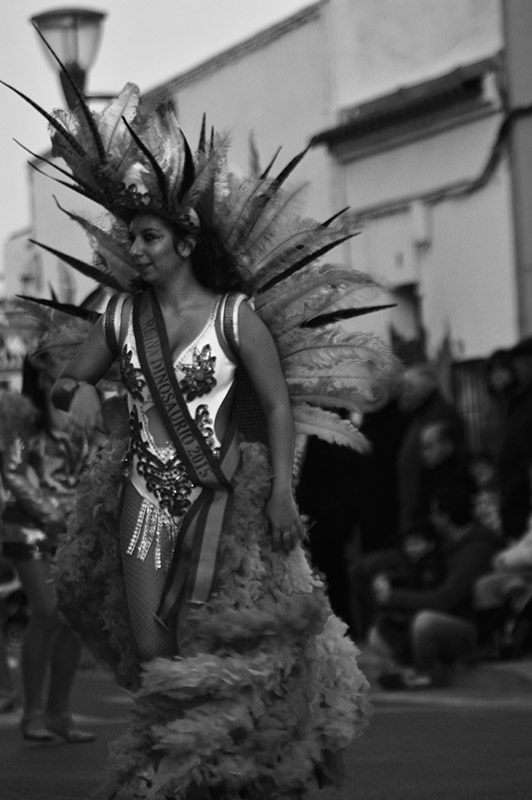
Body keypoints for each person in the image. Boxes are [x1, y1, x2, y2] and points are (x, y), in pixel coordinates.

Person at [4, 63, 399, 799]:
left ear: (185, 241)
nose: (136, 249)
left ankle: (208, 773)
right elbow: (67, 380)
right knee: (155, 648)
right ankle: (182, 768)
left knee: (221, 647)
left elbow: (275, 407)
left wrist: (281, 491)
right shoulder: (121, 316)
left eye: (149, 236)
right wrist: (74, 392)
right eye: (131, 237)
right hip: (142, 500)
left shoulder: (235, 316)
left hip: (226, 502)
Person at [0, 359, 95, 742]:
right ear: (41, 375)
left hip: (75, 529)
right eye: (62, 364)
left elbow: (96, 466)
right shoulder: (22, 418)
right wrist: (50, 513)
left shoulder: (87, 413)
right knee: (46, 613)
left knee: (73, 620)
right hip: (28, 529)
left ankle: (59, 713)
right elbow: (13, 472)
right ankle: (33, 714)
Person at [372, 486, 500, 689]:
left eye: (435, 514)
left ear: (445, 517)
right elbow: (416, 575)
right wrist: (390, 581)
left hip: (469, 626)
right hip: (442, 616)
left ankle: (425, 672)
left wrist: (394, 596)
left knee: (425, 621)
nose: (432, 519)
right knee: (378, 633)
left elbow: (445, 599)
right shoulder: (448, 545)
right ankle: (407, 669)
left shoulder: (477, 548)